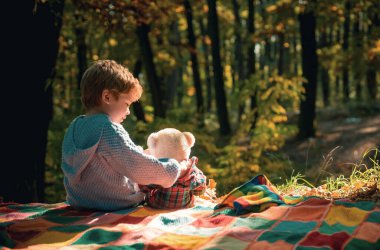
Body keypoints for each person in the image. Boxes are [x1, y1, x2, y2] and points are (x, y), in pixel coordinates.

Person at [61, 59, 191, 211]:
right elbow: (138, 168)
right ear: (107, 97)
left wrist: (142, 153)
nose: (128, 111)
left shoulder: (75, 126)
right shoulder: (109, 129)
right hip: (114, 204)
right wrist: (177, 168)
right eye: (127, 104)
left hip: (79, 202)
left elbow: (106, 160)